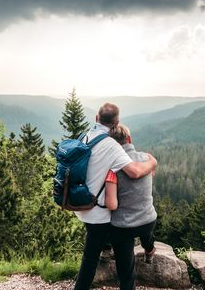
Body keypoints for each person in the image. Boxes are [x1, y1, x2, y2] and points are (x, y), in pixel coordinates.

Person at [73, 103, 157, 290]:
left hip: (81, 201)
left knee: (94, 251)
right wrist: (152, 162)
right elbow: (134, 172)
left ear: (96, 118)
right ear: (116, 122)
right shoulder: (112, 146)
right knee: (90, 259)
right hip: (99, 211)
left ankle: (107, 249)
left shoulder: (86, 136)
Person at [104, 124, 157, 290]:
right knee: (145, 230)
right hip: (148, 220)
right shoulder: (146, 158)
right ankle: (149, 250)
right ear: (130, 139)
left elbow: (112, 205)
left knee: (126, 271)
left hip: (123, 227)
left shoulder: (111, 167)